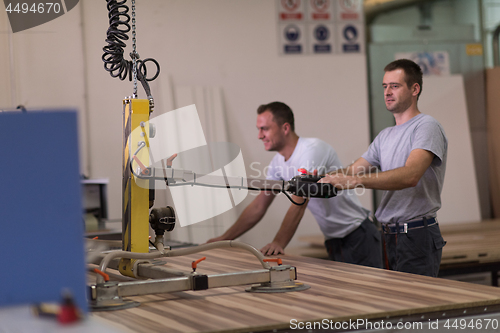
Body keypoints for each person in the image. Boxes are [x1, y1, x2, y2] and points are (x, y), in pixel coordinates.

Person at [207, 102, 382, 268]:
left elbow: (300, 202)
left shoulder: (311, 150)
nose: (260, 136)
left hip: (359, 235)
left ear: (285, 128)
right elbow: (259, 205)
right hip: (333, 240)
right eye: (259, 129)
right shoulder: (277, 163)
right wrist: (224, 239)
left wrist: (279, 242)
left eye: (265, 129)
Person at [319, 59, 447, 277]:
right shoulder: (385, 136)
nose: (387, 92)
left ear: (415, 89)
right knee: (394, 305)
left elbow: (411, 175)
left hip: (417, 235)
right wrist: (320, 178)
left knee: (414, 307)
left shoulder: (426, 126)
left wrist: (352, 182)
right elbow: (353, 170)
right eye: (385, 86)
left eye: (395, 86)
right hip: (389, 236)